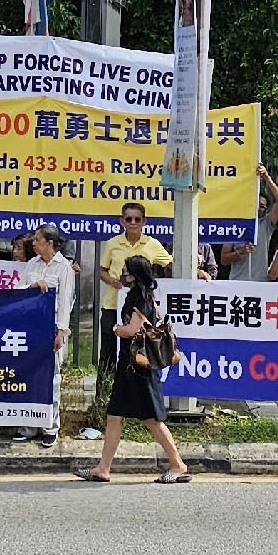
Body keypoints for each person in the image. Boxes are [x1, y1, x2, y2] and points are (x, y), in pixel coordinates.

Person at [74, 256, 191, 484]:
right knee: (114, 416)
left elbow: (133, 330)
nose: (122, 273)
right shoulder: (134, 296)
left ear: (136, 274)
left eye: (126, 270)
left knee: (152, 420)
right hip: (127, 366)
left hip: (140, 369)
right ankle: (103, 468)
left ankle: (178, 465)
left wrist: (117, 329)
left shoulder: (142, 299)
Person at [15, 224, 75, 447]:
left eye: (37, 240)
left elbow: (66, 302)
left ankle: (50, 427)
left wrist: (61, 332)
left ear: (49, 243)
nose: (33, 243)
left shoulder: (64, 268)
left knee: (51, 380)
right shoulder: (32, 264)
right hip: (31, 327)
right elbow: (18, 291)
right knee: (29, 376)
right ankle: (29, 426)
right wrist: (32, 285)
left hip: (52, 330)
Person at [96, 203, 172, 375]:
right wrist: (112, 281)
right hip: (112, 305)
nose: (133, 222)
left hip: (138, 309)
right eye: (129, 219)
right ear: (122, 221)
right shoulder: (112, 243)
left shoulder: (152, 244)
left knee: (136, 352)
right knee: (108, 351)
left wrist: (199, 272)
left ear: (144, 221)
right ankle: (104, 390)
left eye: (137, 219)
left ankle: (131, 387)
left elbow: (170, 263)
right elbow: (101, 271)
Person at [220, 162, 278, 280]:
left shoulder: (266, 224)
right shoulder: (235, 224)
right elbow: (224, 259)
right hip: (238, 283)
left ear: (266, 209)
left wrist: (266, 177)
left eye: (262, 206)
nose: (258, 208)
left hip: (259, 283)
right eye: (256, 204)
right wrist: (240, 252)